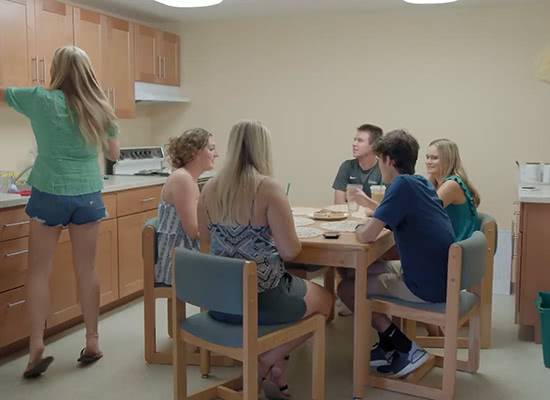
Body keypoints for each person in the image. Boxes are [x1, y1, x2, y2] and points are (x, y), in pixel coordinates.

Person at [0, 46, 120, 378]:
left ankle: (36, 344)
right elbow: (114, 152)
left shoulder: (39, 98)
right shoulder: (101, 107)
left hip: (49, 191)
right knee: (87, 270)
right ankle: (93, 341)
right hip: (87, 193)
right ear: (89, 71)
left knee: (38, 271)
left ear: (55, 69)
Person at [198, 120, 333, 399]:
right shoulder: (268, 188)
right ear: (263, 149)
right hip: (261, 299)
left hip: (220, 302)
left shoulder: (209, 189)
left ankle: (273, 368)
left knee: (297, 289)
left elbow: (205, 244)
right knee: (327, 303)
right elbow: (290, 252)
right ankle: (267, 359)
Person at [337, 130, 456, 378]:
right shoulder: (419, 182)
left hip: (425, 285)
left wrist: (360, 229)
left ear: (389, 159)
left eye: (380, 160)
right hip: (439, 274)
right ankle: (387, 347)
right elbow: (391, 216)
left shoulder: (400, 185)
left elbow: (368, 235)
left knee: (347, 289)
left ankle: (405, 347)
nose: (380, 166)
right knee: (362, 272)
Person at [155, 128, 218, 286]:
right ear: (193, 152)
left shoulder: (187, 178)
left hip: (181, 254)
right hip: (178, 260)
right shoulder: (183, 180)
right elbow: (194, 231)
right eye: (211, 149)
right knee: (238, 266)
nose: (216, 154)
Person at [425, 138, 481, 241]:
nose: (428, 162)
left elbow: (425, 212)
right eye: (427, 157)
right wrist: (431, 177)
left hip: (456, 246)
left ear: (447, 160)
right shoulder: (437, 181)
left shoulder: (452, 184)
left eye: (434, 158)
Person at [332, 123, 384, 209]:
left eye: (360, 141)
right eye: (354, 140)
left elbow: (383, 208)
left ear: (374, 146)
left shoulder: (383, 169)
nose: (354, 144)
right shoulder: (347, 166)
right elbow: (338, 204)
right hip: (349, 219)